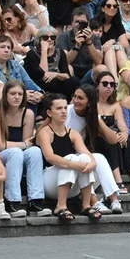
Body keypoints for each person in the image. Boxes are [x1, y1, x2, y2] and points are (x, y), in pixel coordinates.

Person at [36, 93, 99, 222]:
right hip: (49, 183)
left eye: (65, 108)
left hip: (71, 185)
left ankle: (86, 205)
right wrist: (71, 164)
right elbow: (49, 157)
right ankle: (60, 206)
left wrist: (92, 163)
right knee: (71, 158)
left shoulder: (73, 133)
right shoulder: (44, 132)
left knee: (84, 158)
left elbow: (87, 153)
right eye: (59, 108)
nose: (64, 111)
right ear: (49, 113)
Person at [0, 79, 48, 217]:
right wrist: (23, 145)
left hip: (17, 157)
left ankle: (35, 201)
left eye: (20, 94)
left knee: (35, 151)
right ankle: (12, 201)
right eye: (13, 93)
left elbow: (28, 145)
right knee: (15, 152)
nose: (17, 97)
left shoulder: (28, 113)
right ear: (5, 94)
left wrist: (24, 145)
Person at [67, 84, 124, 212]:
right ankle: (94, 202)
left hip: (83, 154)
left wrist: (97, 119)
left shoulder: (92, 116)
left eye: (80, 98)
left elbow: (113, 140)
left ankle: (114, 200)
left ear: (89, 103)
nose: (75, 100)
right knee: (85, 159)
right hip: (67, 156)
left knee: (100, 158)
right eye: (74, 97)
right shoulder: (67, 111)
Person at [0, 34, 43, 103]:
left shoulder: (15, 65)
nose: (6, 50)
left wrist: (39, 93)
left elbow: (28, 82)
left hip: (19, 100)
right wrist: (23, 95)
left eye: (9, 48)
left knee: (35, 100)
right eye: (2, 47)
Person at [24, 26, 78, 93]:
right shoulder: (32, 54)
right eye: (45, 38)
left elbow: (67, 75)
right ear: (39, 40)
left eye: (52, 37)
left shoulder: (60, 52)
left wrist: (55, 74)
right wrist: (44, 51)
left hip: (57, 82)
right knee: (49, 82)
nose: (49, 40)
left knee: (74, 81)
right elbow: (42, 74)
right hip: (40, 84)